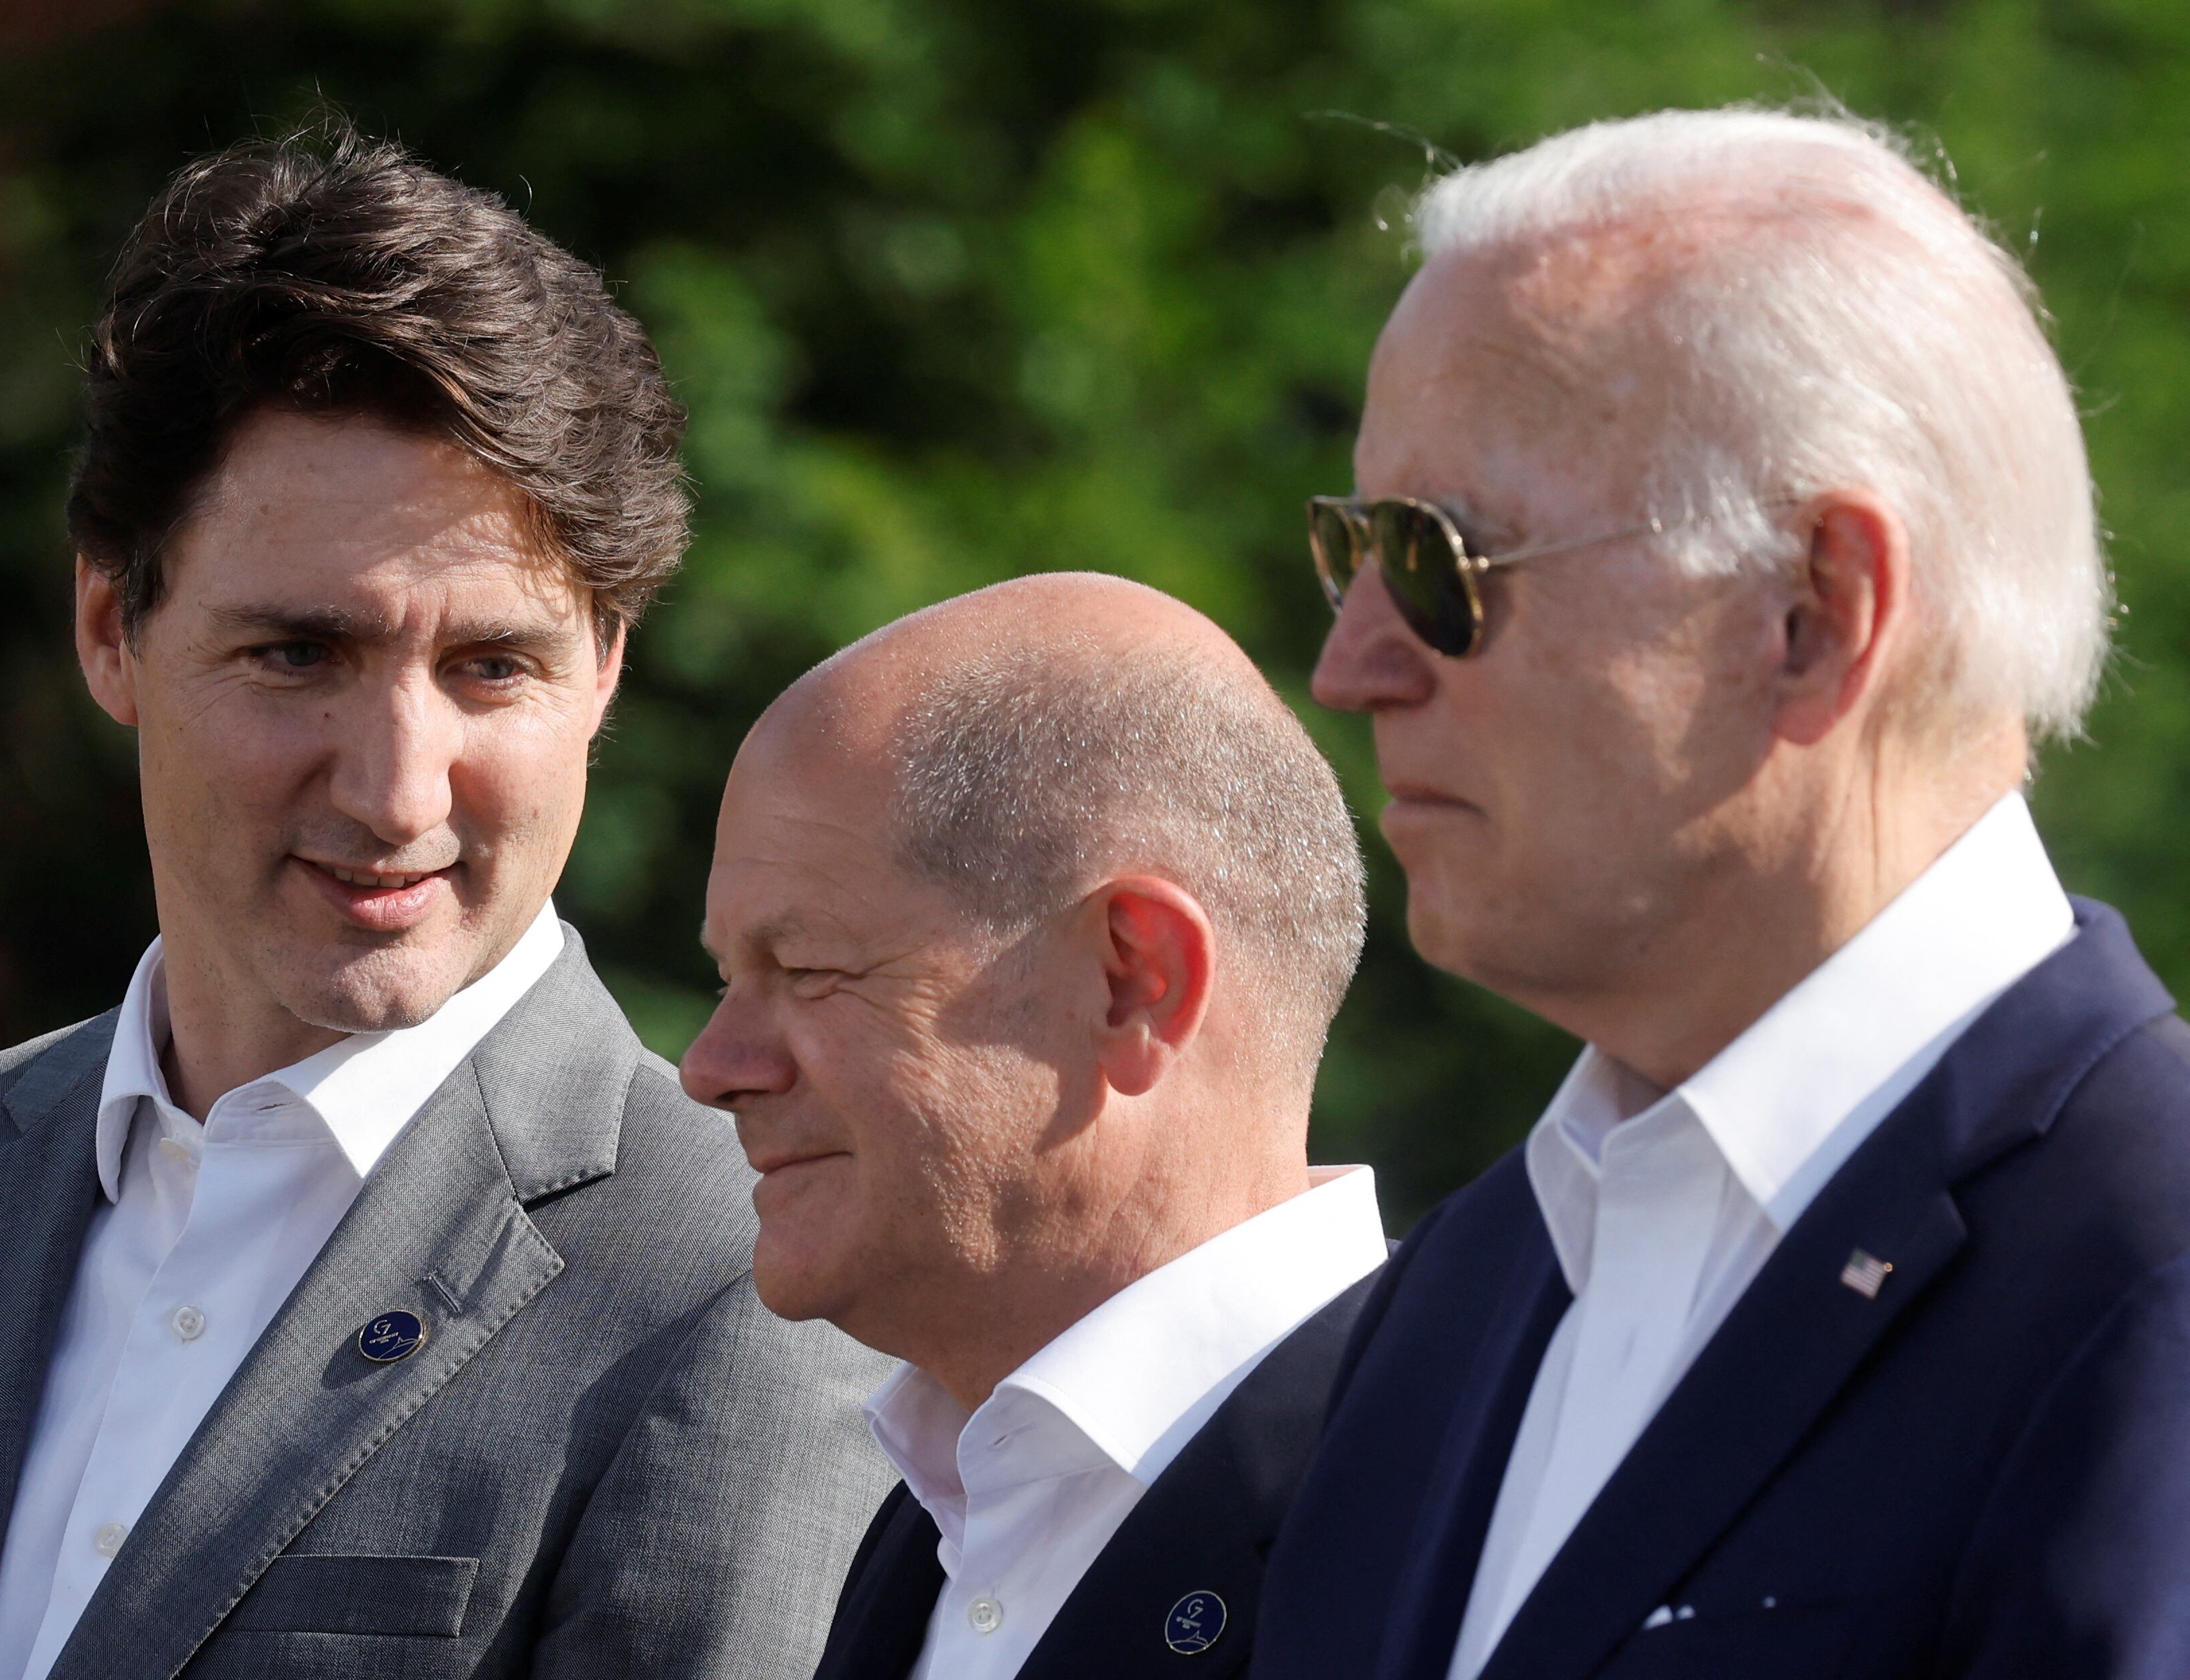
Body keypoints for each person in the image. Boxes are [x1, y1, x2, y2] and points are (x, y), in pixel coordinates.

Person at [0, 125, 891, 1680]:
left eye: (490, 667)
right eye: (300, 654)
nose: (397, 789)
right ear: (112, 627)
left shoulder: (751, 1282)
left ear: (607, 676)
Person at [1253, 108, 2190, 1680]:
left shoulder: (2148, 1286)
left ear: (1817, 616)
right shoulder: (1452, 1301)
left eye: (1437, 559)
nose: (1350, 668)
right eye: (1347, 547)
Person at [681, 572, 1388, 1680]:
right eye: (728, 978)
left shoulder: (1463, 1502)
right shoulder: (947, 1508)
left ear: (1132, 983)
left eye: (809, 969)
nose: (711, 1068)